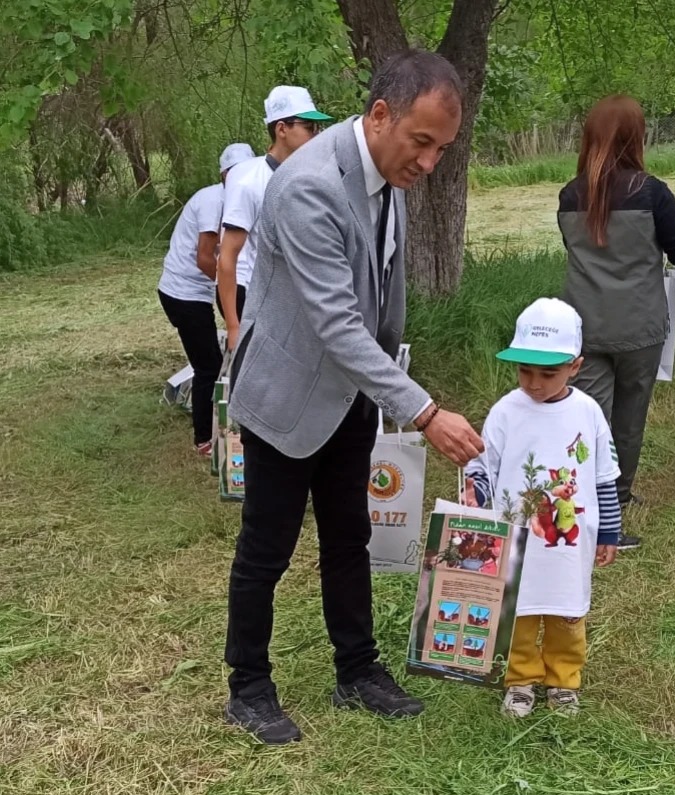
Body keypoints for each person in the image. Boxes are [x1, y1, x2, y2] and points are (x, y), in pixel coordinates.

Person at [223, 50, 484, 746]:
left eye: (441, 148)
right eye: (420, 142)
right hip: (286, 395)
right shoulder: (309, 186)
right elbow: (335, 321)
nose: (428, 163)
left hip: (349, 396)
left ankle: (357, 670)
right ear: (378, 115)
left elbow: (381, 295)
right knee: (265, 550)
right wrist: (423, 410)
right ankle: (247, 686)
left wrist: (388, 380)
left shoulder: (388, 175)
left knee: (350, 538)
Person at [463, 298, 621, 718]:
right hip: (517, 539)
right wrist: (476, 505)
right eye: (524, 371)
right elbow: (482, 467)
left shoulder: (587, 413)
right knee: (519, 610)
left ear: (575, 366)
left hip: (569, 544)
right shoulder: (505, 412)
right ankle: (520, 680)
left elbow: (604, 476)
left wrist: (609, 532)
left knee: (567, 612)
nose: (534, 383)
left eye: (547, 373)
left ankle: (563, 680)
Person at [557, 95, 675, 549]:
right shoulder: (652, 192)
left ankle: (581, 504)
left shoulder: (569, 195)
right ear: (636, 137)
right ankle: (615, 502)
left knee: (587, 418)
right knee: (628, 421)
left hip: (586, 326)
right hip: (639, 326)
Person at [158, 142, 255, 455]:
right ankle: (204, 439)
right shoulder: (214, 200)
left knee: (214, 358)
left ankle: (227, 425)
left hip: (195, 291)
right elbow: (204, 257)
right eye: (236, 173)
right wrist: (227, 289)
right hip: (183, 293)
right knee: (208, 366)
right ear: (225, 175)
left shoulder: (239, 199)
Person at [217, 86, 333, 350]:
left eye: (318, 128)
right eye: (309, 126)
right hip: (254, 294)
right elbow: (227, 256)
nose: (316, 135)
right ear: (282, 129)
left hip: (294, 294)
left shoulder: (311, 175)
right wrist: (234, 327)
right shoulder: (248, 179)